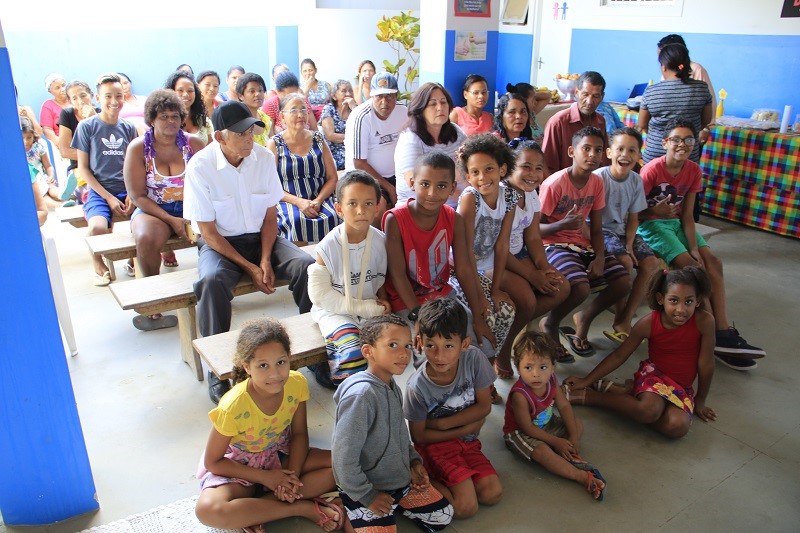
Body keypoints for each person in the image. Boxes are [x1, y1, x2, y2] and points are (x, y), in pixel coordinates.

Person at [183, 100, 314, 403]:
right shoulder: (201, 167)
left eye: (251, 132)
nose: (249, 140)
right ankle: (219, 372)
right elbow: (208, 233)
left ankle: (313, 353)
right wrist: (250, 267)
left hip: (262, 237)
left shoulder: (263, 158)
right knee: (210, 282)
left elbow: (270, 217)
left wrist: (265, 259)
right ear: (219, 137)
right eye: (240, 134)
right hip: (221, 245)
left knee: (305, 265)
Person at [194, 318, 343, 533]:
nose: (275, 374)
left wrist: (290, 476)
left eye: (281, 362)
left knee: (341, 466)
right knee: (208, 510)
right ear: (247, 367)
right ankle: (300, 508)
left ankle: (258, 508)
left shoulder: (296, 383)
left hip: (278, 455)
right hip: (240, 467)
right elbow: (213, 461)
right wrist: (267, 478)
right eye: (263, 365)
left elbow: (299, 434)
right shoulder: (233, 405)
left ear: (289, 358)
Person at [637, 119, 765, 369]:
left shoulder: (694, 170)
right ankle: (712, 334)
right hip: (651, 225)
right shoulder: (652, 169)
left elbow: (687, 215)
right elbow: (635, 213)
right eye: (676, 139)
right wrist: (655, 210)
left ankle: (723, 329)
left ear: (695, 144)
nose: (681, 145)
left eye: (688, 140)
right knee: (695, 269)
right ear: (665, 143)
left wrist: (695, 246)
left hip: (676, 224)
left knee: (712, 262)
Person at [332, 314, 454, 532]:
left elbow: (400, 434)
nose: (404, 353)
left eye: (407, 346)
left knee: (442, 516)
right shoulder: (361, 396)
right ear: (368, 352)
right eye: (393, 345)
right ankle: (349, 508)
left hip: (398, 481)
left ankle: (392, 505)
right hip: (366, 487)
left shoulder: (391, 385)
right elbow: (343, 458)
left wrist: (414, 463)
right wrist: (368, 496)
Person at [564, 267, 717, 439]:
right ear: (661, 298)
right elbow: (619, 355)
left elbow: (706, 364)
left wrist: (700, 401)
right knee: (648, 411)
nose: (681, 309)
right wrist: (586, 380)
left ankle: (626, 393)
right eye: (674, 300)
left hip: (681, 387)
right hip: (655, 376)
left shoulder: (705, 321)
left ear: (697, 301)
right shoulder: (648, 323)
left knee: (677, 427)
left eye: (688, 301)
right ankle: (590, 397)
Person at [382, 151, 494, 367]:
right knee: (431, 355)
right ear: (412, 183)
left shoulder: (455, 219)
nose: (432, 193)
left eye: (441, 186)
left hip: (442, 295)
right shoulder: (395, 220)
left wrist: (477, 317)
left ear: (452, 188)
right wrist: (418, 316)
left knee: (484, 347)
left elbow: (463, 269)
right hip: (407, 302)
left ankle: (479, 392)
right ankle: (440, 397)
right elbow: (397, 274)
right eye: (425, 184)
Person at [537, 127, 631, 362]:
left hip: (582, 244)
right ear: (572, 151)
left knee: (622, 281)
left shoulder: (597, 183)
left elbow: (597, 228)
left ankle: (585, 320)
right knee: (580, 288)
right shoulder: (555, 184)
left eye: (598, 150)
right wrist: (562, 225)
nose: (592, 155)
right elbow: (534, 230)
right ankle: (551, 323)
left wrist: (599, 256)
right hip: (553, 245)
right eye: (586, 148)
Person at [404, 298, 502, 519]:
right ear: (420, 342)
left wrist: (442, 423)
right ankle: (415, 480)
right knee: (465, 508)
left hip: (467, 442)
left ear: (464, 344)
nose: (439, 356)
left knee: (492, 494)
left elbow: (484, 406)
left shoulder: (474, 358)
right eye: (431, 346)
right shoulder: (417, 387)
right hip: (436, 447)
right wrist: (465, 427)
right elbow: (419, 437)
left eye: (448, 346)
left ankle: (453, 477)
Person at [123, 89, 205, 330]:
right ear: (151, 119)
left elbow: (209, 185)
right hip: (153, 209)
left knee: (215, 233)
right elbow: (137, 195)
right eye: (163, 117)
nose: (170, 122)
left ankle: (214, 291)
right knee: (146, 238)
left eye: (175, 116)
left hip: (191, 207)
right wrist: (171, 219)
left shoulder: (195, 145)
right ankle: (153, 300)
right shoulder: (139, 148)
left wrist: (190, 216)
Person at [307, 171, 388, 389]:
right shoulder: (327, 247)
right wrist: (364, 307)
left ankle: (373, 390)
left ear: (378, 206)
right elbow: (320, 295)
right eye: (352, 203)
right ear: (339, 208)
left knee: (386, 349)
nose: (361, 210)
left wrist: (383, 298)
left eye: (368, 203)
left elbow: (383, 280)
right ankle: (342, 385)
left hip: (370, 310)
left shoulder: (382, 242)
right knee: (353, 349)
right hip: (334, 312)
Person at [503, 332, 605, 500]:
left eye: (543, 367)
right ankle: (579, 476)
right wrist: (556, 441)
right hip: (521, 433)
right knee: (543, 452)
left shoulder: (551, 381)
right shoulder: (520, 395)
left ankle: (566, 454)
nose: (536, 374)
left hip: (548, 424)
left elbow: (564, 406)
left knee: (577, 424)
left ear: (552, 367)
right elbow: (527, 427)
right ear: (518, 368)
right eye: (528, 367)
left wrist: (573, 436)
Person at [453, 134, 519, 383]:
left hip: (488, 268)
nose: (483, 178)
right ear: (468, 177)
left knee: (506, 310)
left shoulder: (510, 198)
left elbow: (502, 246)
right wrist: (481, 296)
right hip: (461, 269)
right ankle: (470, 372)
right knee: (485, 314)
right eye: (475, 172)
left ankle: (488, 367)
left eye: (489, 169)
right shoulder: (471, 199)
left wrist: (497, 288)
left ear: (502, 169)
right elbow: (465, 250)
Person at [503, 139, 569, 360]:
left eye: (538, 168)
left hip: (519, 253)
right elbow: (498, 248)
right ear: (510, 166)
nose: (533, 173)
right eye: (526, 167)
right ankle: (505, 347)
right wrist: (532, 275)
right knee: (528, 301)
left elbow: (532, 237)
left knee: (560, 287)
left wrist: (544, 267)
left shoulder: (530, 194)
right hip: (495, 258)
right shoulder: (502, 196)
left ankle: (512, 330)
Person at [72, 73, 138, 286]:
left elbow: (135, 165)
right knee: (98, 227)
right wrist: (109, 198)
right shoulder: (87, 127)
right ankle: (98, 262)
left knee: (144, 224)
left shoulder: (128, 128)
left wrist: (131, 193)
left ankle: (132, 260)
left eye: (118, 96)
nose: (114, 101)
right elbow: (83, 169)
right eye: (108, 96)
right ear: (98, 98)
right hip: (99, 191)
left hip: (128, 189)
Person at [597, 127, 659, 342]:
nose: (626, 155)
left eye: (632, 150)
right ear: (609, 153)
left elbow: (634, 218)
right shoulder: (599, 178)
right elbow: (591, 220)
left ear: (639, 155)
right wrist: (626, 252)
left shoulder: (635, 180)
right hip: (601, 231)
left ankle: (627, 316)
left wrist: (631, 244)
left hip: (623, 232)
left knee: (651, 263)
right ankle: (619, 318)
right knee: (625, 262)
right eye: (620, 149)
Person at [265, 92, 340, 243]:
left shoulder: (318, 139)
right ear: (282, 116)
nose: (300, 114)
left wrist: (318, 201)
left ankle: (329, 264)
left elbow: (333, 178)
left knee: (334, 216)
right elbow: (270, 185)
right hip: (288, 200)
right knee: (296, 220)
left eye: (304, 110)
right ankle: (300, 266)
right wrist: (299, 202)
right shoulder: (275, 143)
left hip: (319, 198)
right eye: (293, 110)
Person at [395, 82, 467, 207]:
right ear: (420, 109)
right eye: (433, 104)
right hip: (420, 208)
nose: (440, 107)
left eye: (443, 102)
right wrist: (466, 200)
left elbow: (471, 162)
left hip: (457, 204)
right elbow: (414, 183)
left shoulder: (455, 131)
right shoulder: (410, 139)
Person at [639, 44, 713, 165]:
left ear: (663, 67)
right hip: (687, 153)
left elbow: (642, 124)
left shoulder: (652, 91)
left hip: (656, 154)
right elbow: (705, 121)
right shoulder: (701, 88)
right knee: (684, 183)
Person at [345, 72, 406, 206]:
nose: (385, 102)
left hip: (397, 176)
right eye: (379, 96)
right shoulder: (361, 117)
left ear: (396, 96)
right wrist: (390, 189)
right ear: (371, 96)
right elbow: (359, 163)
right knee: (378, 206)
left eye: (389, 96)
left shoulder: (404, 112)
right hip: (364, 177)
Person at [542, 71, 610, 175]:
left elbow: (603, 160)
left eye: (595, 96)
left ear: (602, 96)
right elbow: (547, 165)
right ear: (576, 92)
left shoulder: (600, 121)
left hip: (593, 184)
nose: (589, 101)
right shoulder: (558, 122)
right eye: (585, 94)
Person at [657, 34, 716, 125]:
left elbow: (708, 100)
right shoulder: (666, 69)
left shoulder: (696, 69)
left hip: (691, 125)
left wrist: (705, 127)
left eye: (664, 53)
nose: (661, 59)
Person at [57, 80, 97, 203]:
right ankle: (79, 195)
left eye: (83, 95)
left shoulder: (100, 114)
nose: (80, 101)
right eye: (74, 98)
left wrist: (93, 119)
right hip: (79, 165)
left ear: (91, 95)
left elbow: (105, 146)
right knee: (88, 186)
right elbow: (65, 151)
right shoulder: (67, 115)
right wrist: (93, 155)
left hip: (100, 165)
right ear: (70, 101)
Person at [164, 71, 212, 145]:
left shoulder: (204, 121)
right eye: (180, 90)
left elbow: (211, 150)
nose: (186, 94)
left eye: (190, 91)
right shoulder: (164, 121)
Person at [319, 79, 356, 171]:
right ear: (334, 96)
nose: (348, 94)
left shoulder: (355, 109)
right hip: (334, 150)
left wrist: (354, 108)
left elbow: (363, 130)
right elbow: (331, 136)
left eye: (350, 91)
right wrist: (354, 138)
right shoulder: (329, 109)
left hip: (353, 148)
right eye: (344, 91)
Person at [234, 72, 274, 146]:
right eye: (252, 91)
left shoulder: (266, 119)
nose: (257, 94)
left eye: (260, 90)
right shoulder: (236, 121)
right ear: (240, 96)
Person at [40, 73, 69, 145]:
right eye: (57, 88)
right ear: (50, 91)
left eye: (63, 85)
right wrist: (60, 143)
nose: (62, 89)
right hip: (62, 143)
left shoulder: (75, 100)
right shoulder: (48, 105)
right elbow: (47, 129)